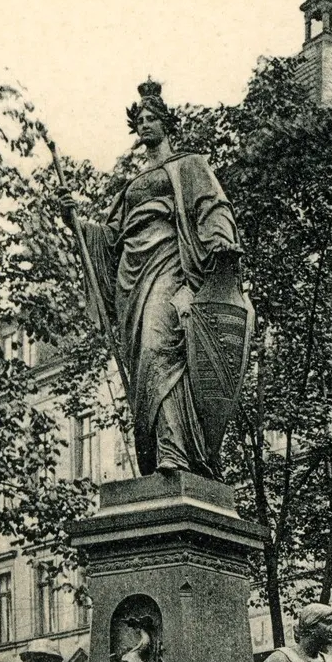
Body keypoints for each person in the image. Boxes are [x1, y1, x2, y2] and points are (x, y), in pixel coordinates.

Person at [62, 80, 252, 479]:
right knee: (144, 360)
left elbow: (211, 205)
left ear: (167, 124)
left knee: (159, 347)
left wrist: (220, 243)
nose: (145, 125)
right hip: (132, 276)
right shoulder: (130, 186)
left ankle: (175, 451)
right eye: (140, 120)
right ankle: (163, 450)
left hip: (168, 264)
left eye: (152, 118)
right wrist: (75, 223)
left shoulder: (189, 165)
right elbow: (109, 239)